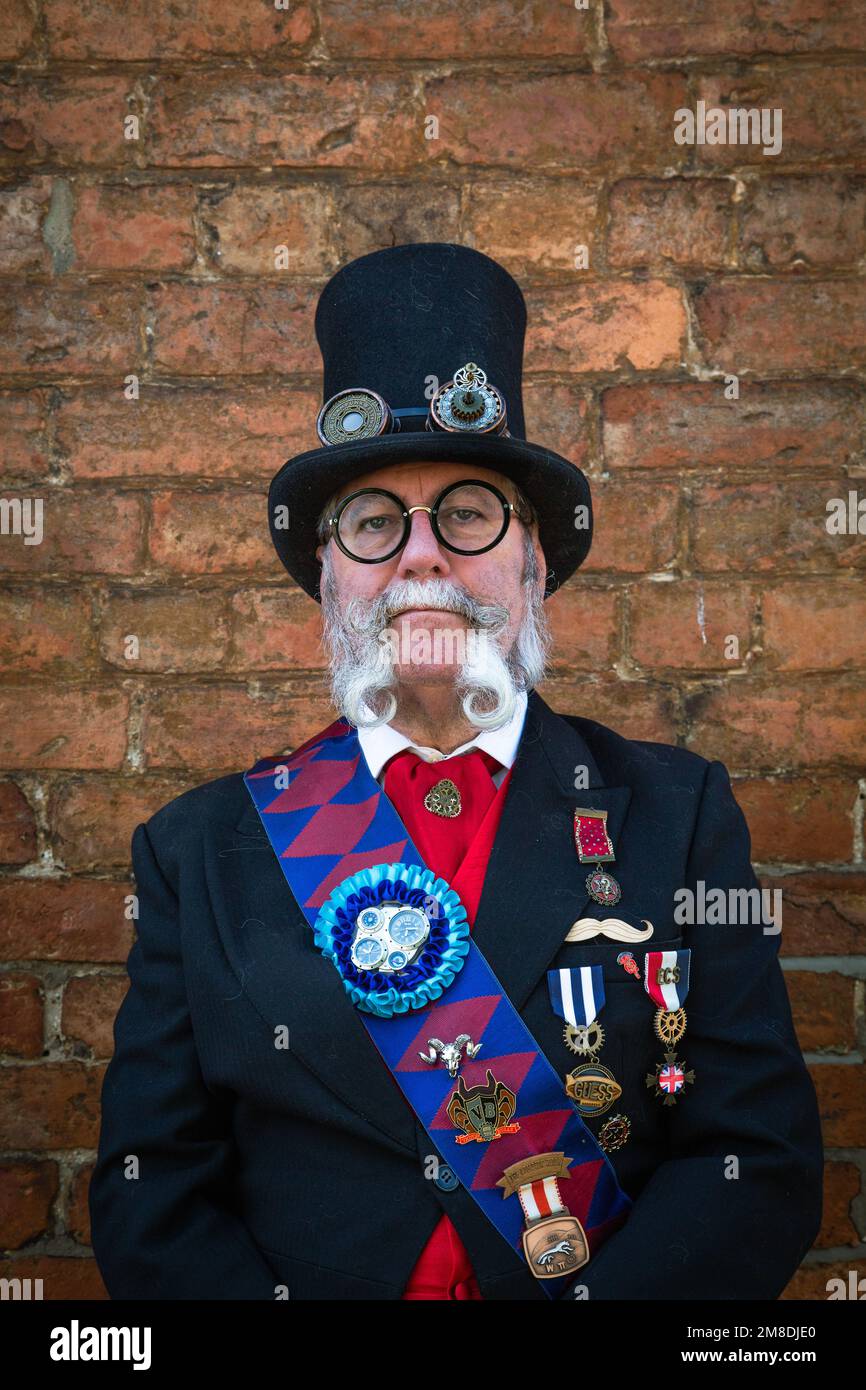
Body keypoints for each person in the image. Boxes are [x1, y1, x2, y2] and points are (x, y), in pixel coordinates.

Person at [89, 242, 823, 1301]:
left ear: (534, 564)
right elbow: (149, 1186)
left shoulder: (679, 815)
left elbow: (752, 1161)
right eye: (374, 522)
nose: (422, 557)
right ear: (328, 580)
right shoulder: (196, 852)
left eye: (468, 513)